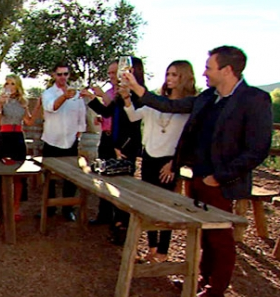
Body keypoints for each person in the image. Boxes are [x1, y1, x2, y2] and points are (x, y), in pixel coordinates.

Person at [123, 46, 272, 297]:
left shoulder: (254, 99)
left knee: (221, 238)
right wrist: (137, 88)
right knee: (204, 234)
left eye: (208, 67)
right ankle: (201, 281)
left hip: (222, 184)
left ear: (226, 70)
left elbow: (257, 149)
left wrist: (220, 177)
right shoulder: (207, 98)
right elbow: (167, 105)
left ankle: (216, 289)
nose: (204, 72)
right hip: (199, 178)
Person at [122, 60, 196, 263]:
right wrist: (127, 99)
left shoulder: (189, 106)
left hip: (168, 161)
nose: (170, 79)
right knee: (147, 205)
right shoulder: (156, 101)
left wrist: (175, 163)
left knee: (165, 206)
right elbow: (135, 117)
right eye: (168, 74)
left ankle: (163, 252)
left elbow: (188, 140)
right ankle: (152, 247)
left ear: (185, 78)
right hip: (148, 157)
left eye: (175, 75)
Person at [83, 57, 145, 244]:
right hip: (112, 143)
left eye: (117, 71)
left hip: (126, 147)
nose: (115, 76)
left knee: (122, 187)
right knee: (104, 178)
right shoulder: (120, 94)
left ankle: (121, 226)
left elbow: (134, 123)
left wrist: (122, 147)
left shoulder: (139, 94)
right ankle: (107, 217)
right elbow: (107, 112)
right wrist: (92, 99)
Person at [41, 62, 87, 222]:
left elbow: (82, 117)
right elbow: (51, 107)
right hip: (51, 141)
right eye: (59, 74)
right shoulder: (47, 93)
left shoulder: (77, 95)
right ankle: (50, 209)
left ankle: (68, 209)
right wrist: (64, 96)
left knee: (71, 178)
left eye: (65, 74)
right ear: (54, 76)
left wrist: (78, 135)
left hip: (71, 142)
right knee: (48, 178)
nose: (62, 77)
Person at [0, 74, 41, 221]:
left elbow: (29, 122)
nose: (9, 86)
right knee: (1, 175)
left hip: (18, 138)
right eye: (7, 83)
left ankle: (15, 208)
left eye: (12, 84)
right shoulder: (1, 101)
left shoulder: (22, 102)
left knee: (18, 177)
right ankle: (2, 209)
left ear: (18, 86)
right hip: (5, 137)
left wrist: (39, 106)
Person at [86, 60, 120, 225]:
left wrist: (96, 97)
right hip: (105, 138)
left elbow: (110, 109)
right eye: (110, 73)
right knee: (103, 175)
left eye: (114, 73)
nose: (111, 76)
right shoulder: (110, 91)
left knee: (119, 179)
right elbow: (106, 114)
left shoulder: (124, 93)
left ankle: (118, 219)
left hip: (118, 141)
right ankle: (104, 215)